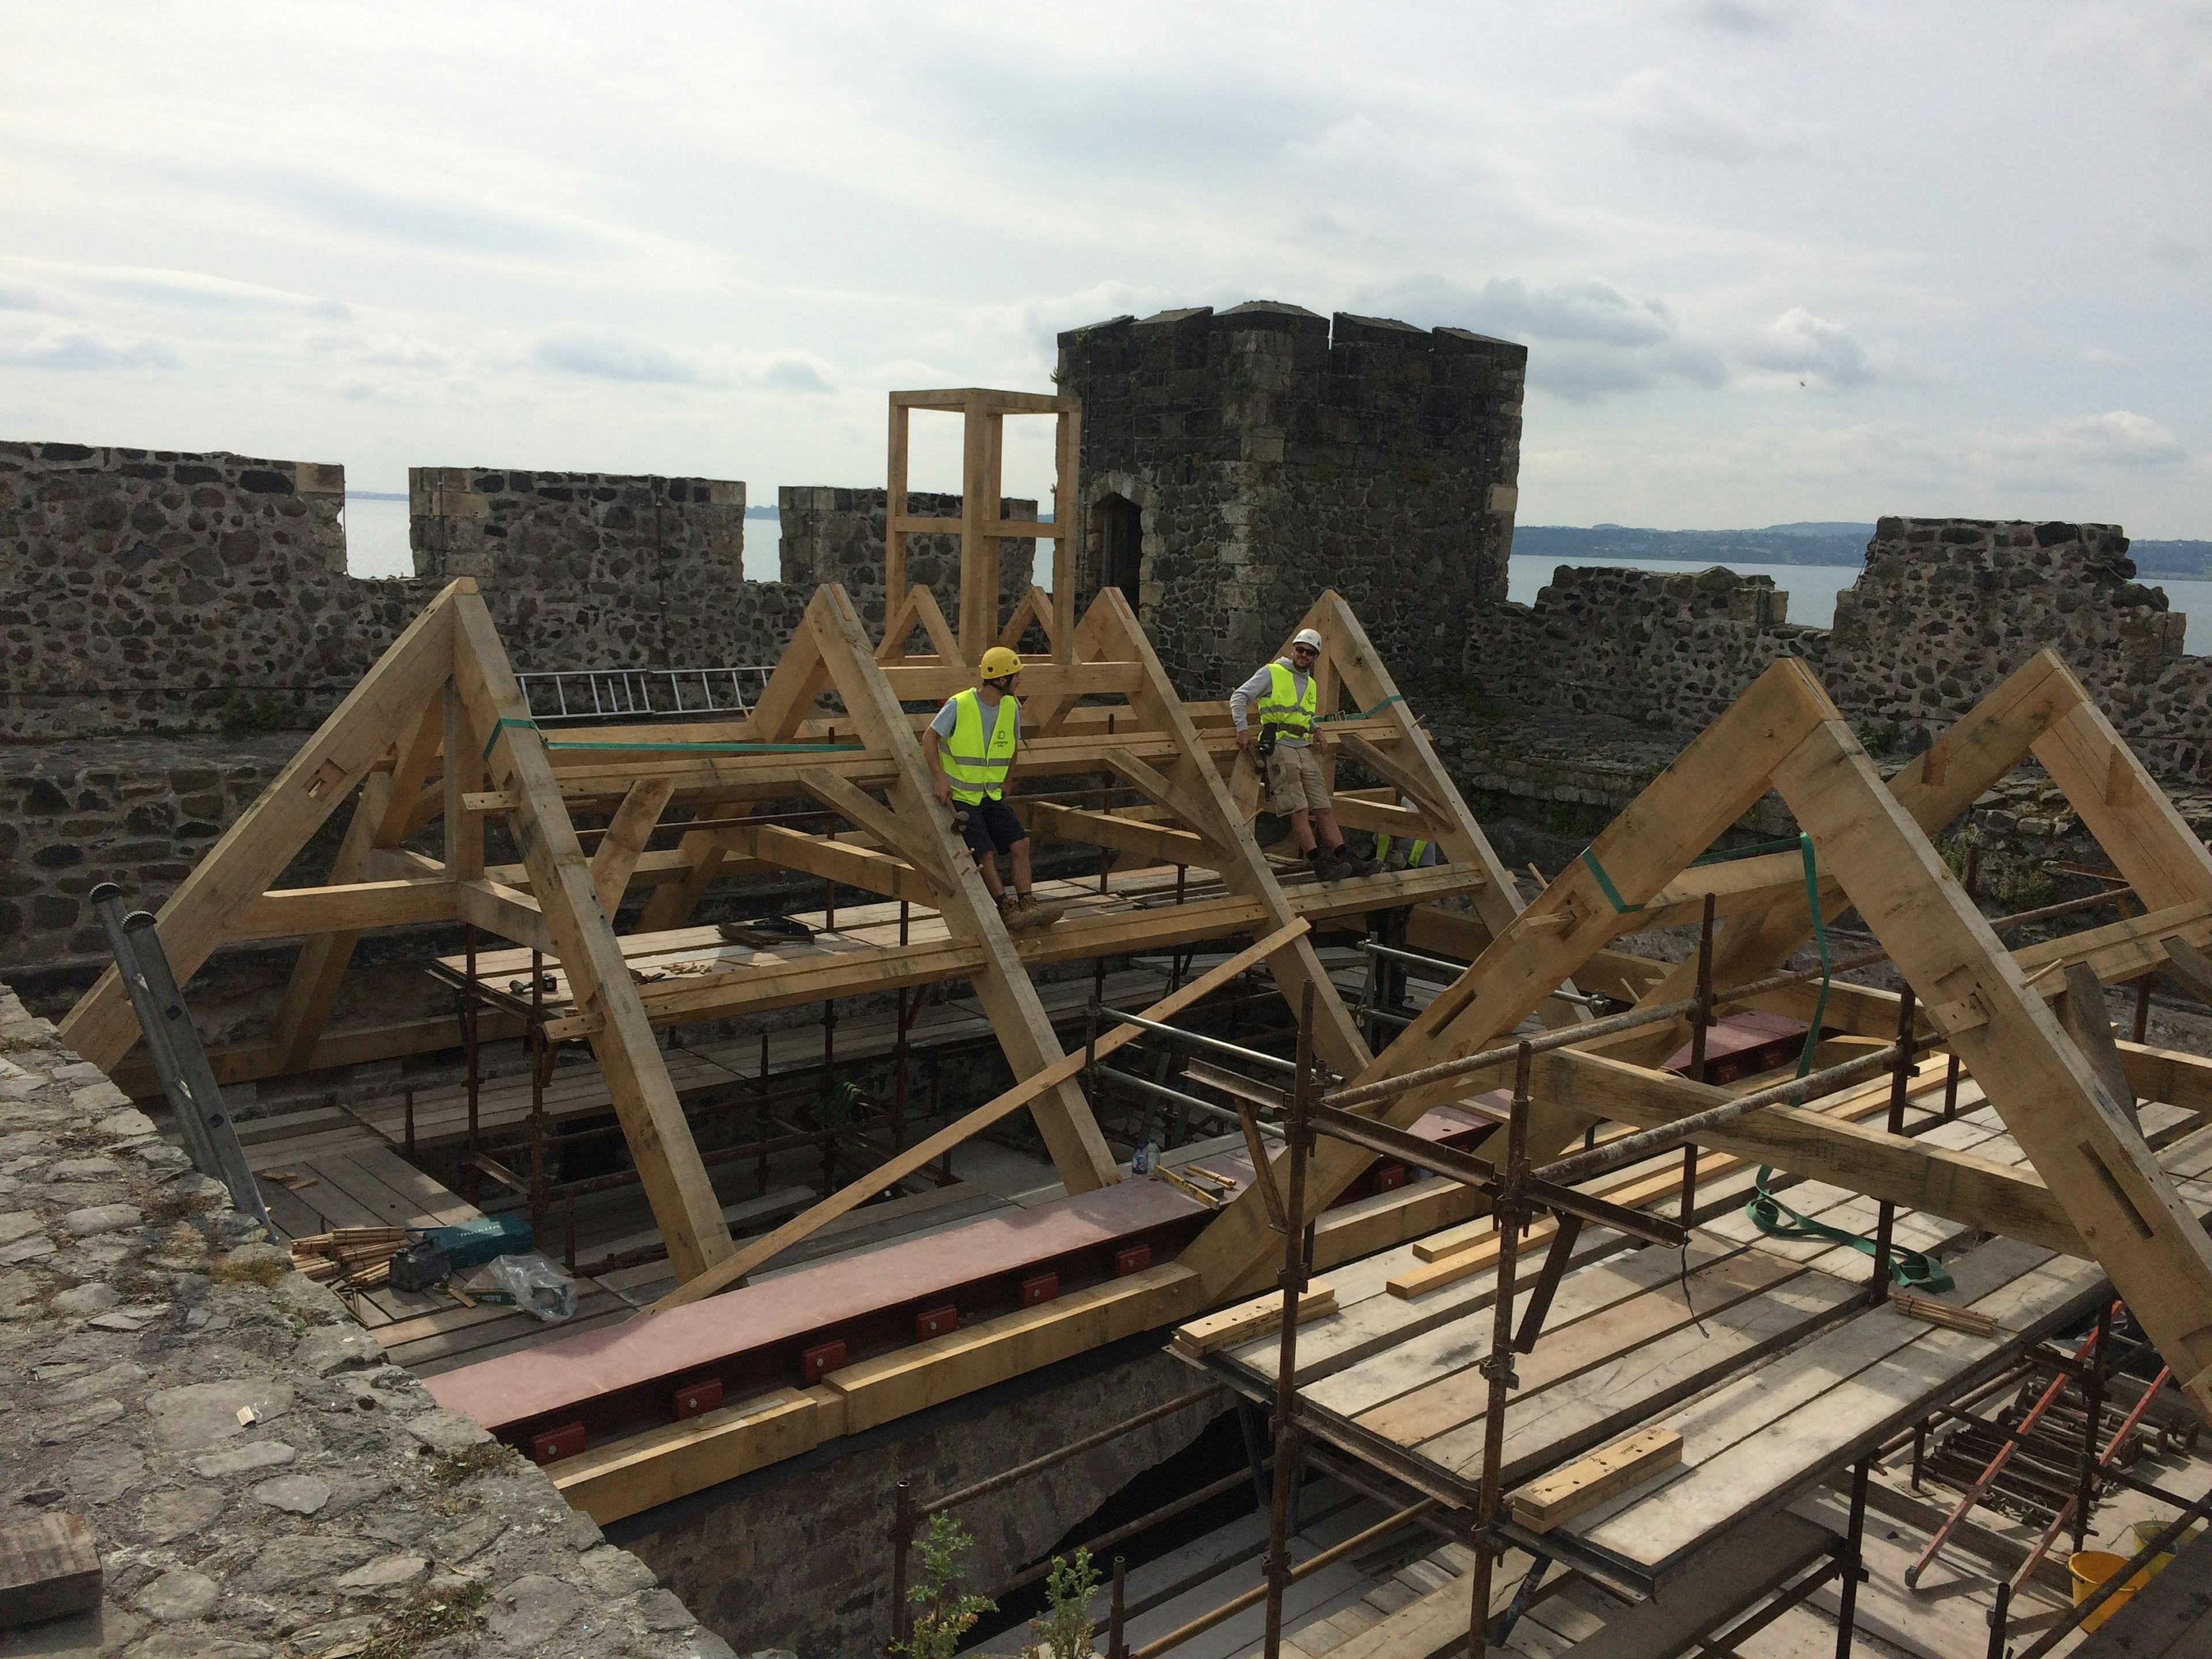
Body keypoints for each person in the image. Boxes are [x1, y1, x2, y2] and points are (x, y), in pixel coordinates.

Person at [923, 646, 1062, 930]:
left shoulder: (1010, 706)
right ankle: (1005, 907)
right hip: (962, 796)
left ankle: (1028, 903)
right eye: (1016, 676)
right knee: (983, 851)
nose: (1020, 681)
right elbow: (929, 739)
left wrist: (1008, 781)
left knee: (1020, 843)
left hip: (991, 794)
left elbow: (1012, 749)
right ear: (1001, 680)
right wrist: (940, 778)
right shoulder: (959, 704)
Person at [1230, 628, 1378, 881]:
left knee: (1323, 806)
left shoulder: (1310, 683)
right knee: (1298, 808)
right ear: (1293, 649)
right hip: (1280, 746)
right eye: (1301, 650)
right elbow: (1239, 697)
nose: (1304, 655)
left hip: (1301, 746)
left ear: (1315, 657)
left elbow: (1303, 716)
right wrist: (1242, 729)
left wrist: (1317, 729)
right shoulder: (1272, 672)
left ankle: (1345, 857)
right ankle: (1320, 863)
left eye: (1310, 653)